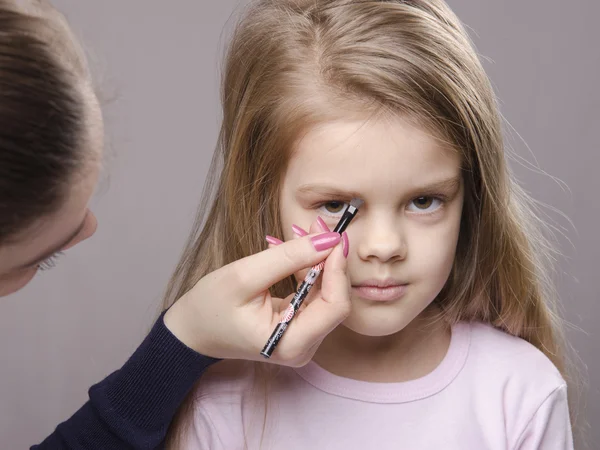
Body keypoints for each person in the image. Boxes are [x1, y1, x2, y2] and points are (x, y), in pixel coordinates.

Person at [161, 0, 576, 449]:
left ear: (471, 198)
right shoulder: (221, 400)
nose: (383, 246)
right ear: (266, 200)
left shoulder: (519, 393)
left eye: (423, 201)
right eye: (336, 204)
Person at [0, 1, 350, 448]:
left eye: (422, 200)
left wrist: (184, 339)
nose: (90, 228)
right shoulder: (219, 415)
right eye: (41, 259)